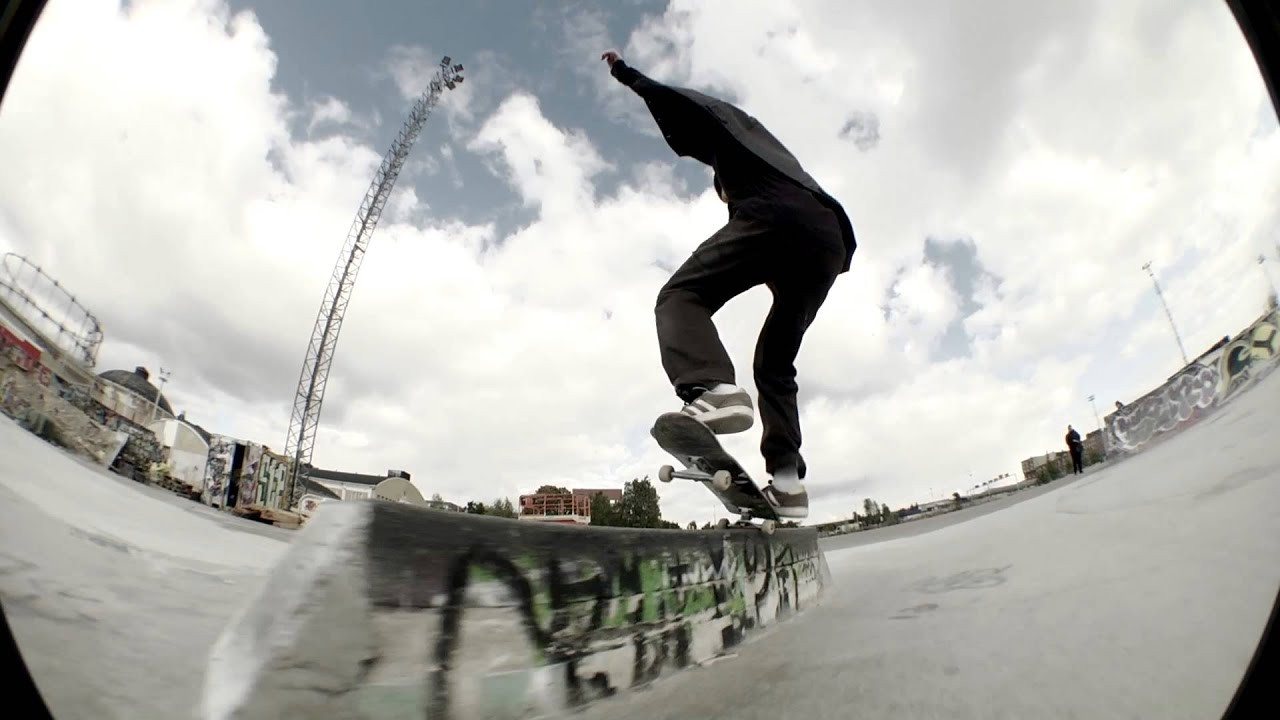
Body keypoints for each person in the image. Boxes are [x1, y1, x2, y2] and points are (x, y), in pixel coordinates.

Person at [601, 51, 857, 519]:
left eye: (720, 192)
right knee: (775, 363)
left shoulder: (737, 157)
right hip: (829, 243)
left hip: (780, 214)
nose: (722, 197)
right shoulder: (784, 172)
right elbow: (778, 255)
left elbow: (692, 111)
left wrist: (628, 76)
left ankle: (713, 388)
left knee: (681, 296)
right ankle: (787, 483)